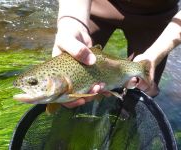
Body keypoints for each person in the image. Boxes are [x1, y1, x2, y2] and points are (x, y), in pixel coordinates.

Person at [52, 0, 180, 108]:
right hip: (100, 4)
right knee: (70, 94)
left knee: (142, 92)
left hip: (157, 16)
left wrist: (154, 55)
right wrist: (72, 21)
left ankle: (127, 114)